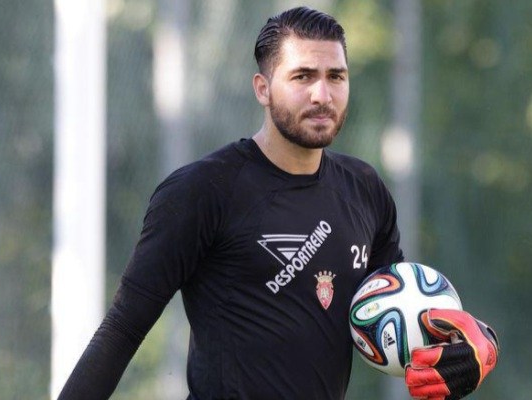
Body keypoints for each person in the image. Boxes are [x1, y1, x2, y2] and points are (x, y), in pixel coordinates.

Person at [58, 6, 498, 400]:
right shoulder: (203, 190)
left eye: (336, 77)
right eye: (302, 76)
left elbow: (405, 308)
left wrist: (477, 348)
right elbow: (122, 329)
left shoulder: (364, 189)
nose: (322, 95)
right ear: (263, 88)